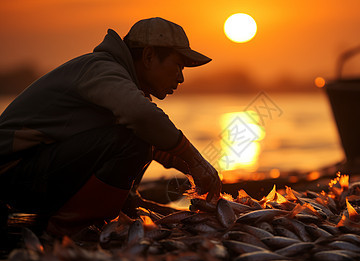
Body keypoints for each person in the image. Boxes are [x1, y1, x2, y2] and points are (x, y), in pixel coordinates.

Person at [0, 17, 222, 237]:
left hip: (33, 172)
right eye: (178, 66)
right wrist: (195, 160)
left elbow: (151, 136)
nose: (181, 78)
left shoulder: (118, 82)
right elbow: (142, 117)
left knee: (140, 137)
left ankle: (103, 214)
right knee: (135, 137)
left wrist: (193, 168)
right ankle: (69, 229)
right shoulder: (101, 69)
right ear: (148, 56)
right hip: (13, 173)